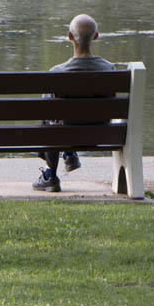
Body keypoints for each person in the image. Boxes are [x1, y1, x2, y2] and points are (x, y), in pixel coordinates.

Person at [33, 13, 115, 193]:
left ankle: (50, 175)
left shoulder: (56, 73)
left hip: (64, 135)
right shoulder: (110, 70)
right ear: (96, 36)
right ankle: (69, 154)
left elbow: (47, 113)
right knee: (56, 118)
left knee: (49, 117)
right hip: (100, 135)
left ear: (69, 37)